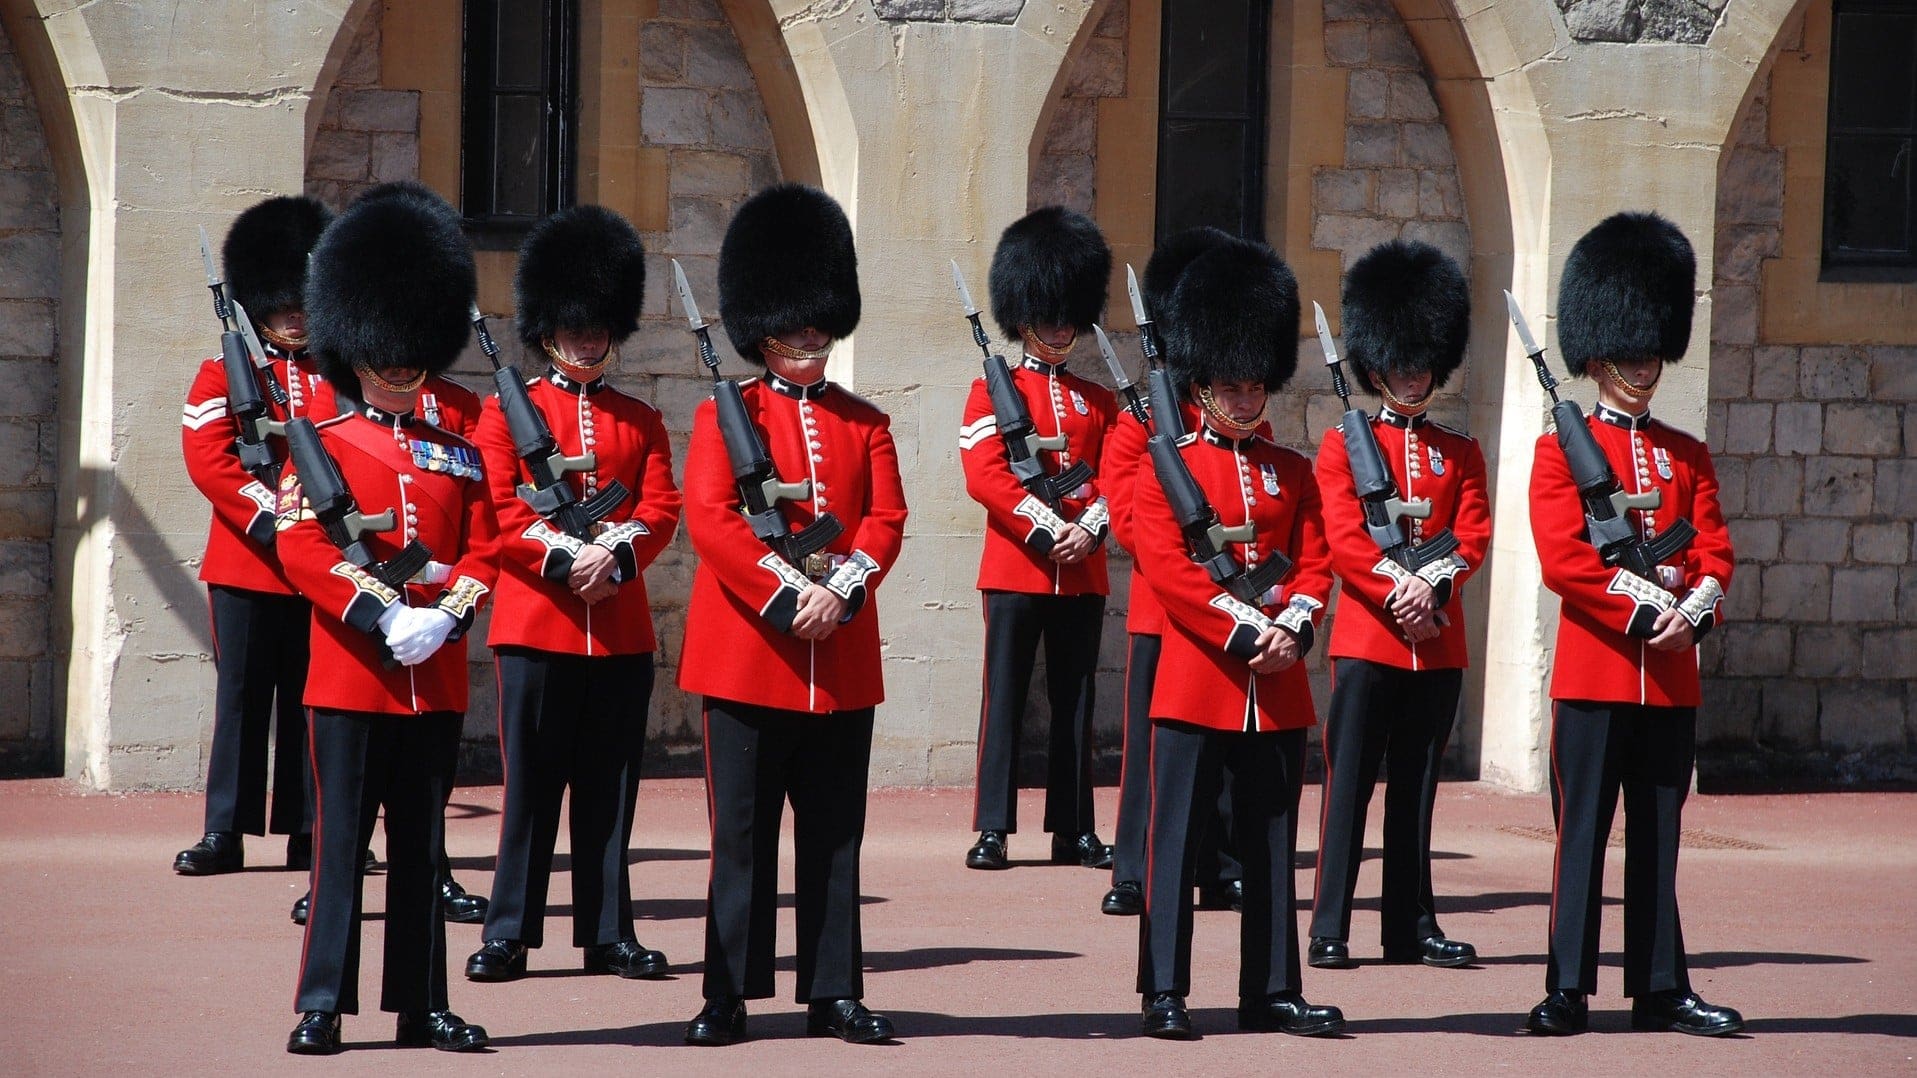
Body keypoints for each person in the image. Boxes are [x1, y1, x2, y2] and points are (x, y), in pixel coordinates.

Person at [678, 184, 909, 1047]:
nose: (810, 337)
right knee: (738, 837)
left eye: (819, 322)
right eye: (793, 323)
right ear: (762, 324)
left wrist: (840, 588)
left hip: (838, 657)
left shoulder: (865, 424)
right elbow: (712, 519)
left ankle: (833, 990)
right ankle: (727, 993)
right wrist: (786, 594)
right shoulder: (722, 415)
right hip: (749, 656)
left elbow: (885, 519)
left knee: (833, 838)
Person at [275, 185, 497, 1054]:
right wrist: (377, 612)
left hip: (432, 675)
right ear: (355, 348)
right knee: (340, 849)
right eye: (383, 356)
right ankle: (322, 1000)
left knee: (421, 847)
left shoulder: (457, 449)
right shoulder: (325, 440)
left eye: (409, 356)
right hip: (351, 675)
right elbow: (300, 546)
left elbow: (488, 546)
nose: (398, 369)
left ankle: (420, 1002)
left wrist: (447, 616)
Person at [1524, 211, 1742, 1038]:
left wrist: (1692, 610)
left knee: (1657, 833)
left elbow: (1714, 550)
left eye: (1650, 349)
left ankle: (1658, 987)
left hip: (1672, 674)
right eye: (1627, 351)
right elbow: (1565, 562)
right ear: (1596, 355)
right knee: (1581, 831)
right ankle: (1567, 986)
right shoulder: (1559, 455)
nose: (1641, 366)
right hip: (1596, 672)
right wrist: (1642, 605)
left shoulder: (1685, 455)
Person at [1128, 237, 1343, 1040]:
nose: (1247, 396)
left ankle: (1273, 989)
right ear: (1202, 382)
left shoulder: (1291, 470)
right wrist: (1245, 623)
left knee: (1269, 846)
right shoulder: (1166, 466)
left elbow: (1317, 561)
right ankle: (1164, 989)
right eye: (1232, 383)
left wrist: (1294, 624)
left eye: (1256, 383)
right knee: (1176, 843)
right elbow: (1167, 570)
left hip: (1276, 686)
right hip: (1197, 678)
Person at [465, 204, 681, 983]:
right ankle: (509, 932)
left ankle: (607, 932)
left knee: (609, 795)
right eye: (577, 328)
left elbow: (660, 509)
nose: (589, 341)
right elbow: (496, 511)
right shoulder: (502, 415)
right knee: (529, 792)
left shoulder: (640, 419)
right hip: (536, 629)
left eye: (599, 330)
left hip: (618, 632)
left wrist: (614, 557)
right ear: (550, 327)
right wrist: (565, 561)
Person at [1308, 240, 1489, 970]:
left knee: (1415, 792)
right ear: (1375, 367)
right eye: (1399, 364)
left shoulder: (1459, 452)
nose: (1412, 376)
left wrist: (1433, 585)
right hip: (1367, 641)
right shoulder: (1340, 449)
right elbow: (1344, 539)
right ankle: (1328, 926)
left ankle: (1409, 925)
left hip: (1437, 642)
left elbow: (1471, 533)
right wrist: (1399, 591)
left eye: (1422, 363)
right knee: (1347, 787)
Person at [1099, 225, 1252, 916]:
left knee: (1223, 750)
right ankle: (1133, 869)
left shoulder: (1244, 426)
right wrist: (1185, 562)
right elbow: (1127, 512)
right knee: (1148, 748)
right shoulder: (1139, 423)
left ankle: (1218, 863)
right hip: (1163, 608)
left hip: (1233, 604)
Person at [959, 206, 1117, 873]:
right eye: (1047, 315)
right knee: (1006, 695)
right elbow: (984, 474)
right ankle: (992, 827)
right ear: (1022, 317)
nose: (1059, 328)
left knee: (1075, 699)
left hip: (1080, 569)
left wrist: (1090, 526)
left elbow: (1122, 478)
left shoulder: (1097, 401)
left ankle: (1073, 829)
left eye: (1066, 315)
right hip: (1017, 567)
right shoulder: (988, 392)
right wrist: (1047, 525)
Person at [176, 195, 331, 877]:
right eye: (283, 306)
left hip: (322, 563)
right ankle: (225, 830)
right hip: (248, 561)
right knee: (241, 697)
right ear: (259, 306)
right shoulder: (223, 373)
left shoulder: (338, 376)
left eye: (303, 304)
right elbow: (207, 457)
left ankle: (308, 827)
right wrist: (274, 516)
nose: (295, 317)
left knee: (313, 695)